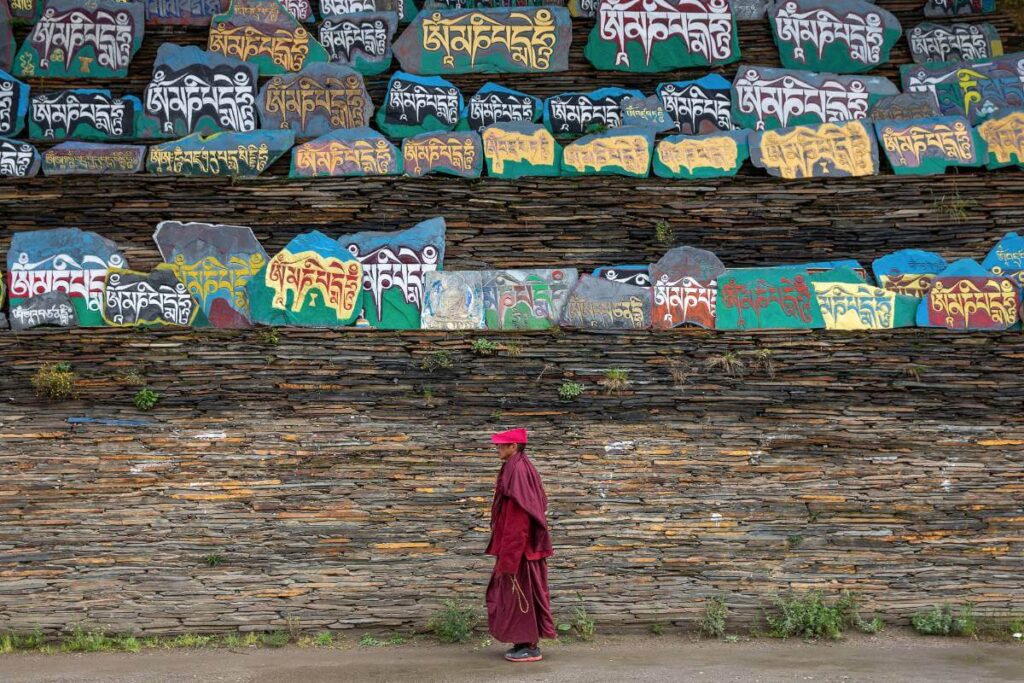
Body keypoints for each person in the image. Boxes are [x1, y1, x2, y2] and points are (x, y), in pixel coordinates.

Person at [485, 428, 555, 663]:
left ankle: (529, 646)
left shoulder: (518, 470)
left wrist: (510, 554)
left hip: (520, 549)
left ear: (514, 446)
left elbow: (520, 516)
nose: (498, 449)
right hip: (520, 547)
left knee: (520, 593)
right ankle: (524, 643)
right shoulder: (517, 466)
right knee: (517, 593)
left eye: (501, 445)